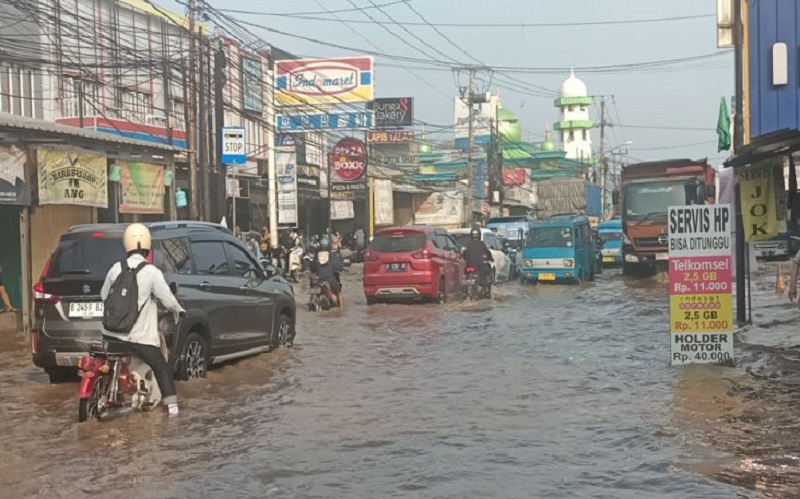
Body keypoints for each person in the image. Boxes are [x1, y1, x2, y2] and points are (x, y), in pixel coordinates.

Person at [101, 224, 186, 416]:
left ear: (126, 246)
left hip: (110, 336)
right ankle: (173, 411)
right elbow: (167, 299)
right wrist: (179, 310)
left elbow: (104, 295)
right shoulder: (152, 272)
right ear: (147, 247)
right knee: (161, 367)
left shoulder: (115, 269)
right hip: (139, 339)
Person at [311, 242, 345, 308]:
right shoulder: (331, 255)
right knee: (339, 292)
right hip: (330, 278)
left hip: (318, 278)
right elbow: (338, 266)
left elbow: (312, 267)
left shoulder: (316, 256)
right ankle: (341, 308)